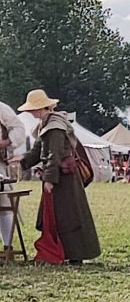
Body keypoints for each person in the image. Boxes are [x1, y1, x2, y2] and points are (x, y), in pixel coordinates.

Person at [17, 89, 100, 265]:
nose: (30, 113)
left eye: (31, 109)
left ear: (40, 108)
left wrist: (49, 180)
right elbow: (39, 150)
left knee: (68, 217)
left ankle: (74, 254)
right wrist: (22, 160)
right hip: (61, 177)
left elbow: (53, 156)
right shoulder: (47, 124)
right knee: (60, 216)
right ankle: (66, 252)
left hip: (64, 179)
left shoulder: (54, 127)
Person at [1, 99, 28, 250]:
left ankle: (7, 246)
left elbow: (18, 129)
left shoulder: (1, 109)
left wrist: (5, 143)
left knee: (3, 203)